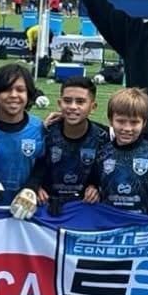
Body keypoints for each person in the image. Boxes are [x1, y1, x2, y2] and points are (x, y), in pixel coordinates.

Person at [88, 88, 148, 225]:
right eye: (121, 121)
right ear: (110, 121)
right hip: (108, 224)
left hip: (142, 227)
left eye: (134, 122)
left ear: (143, 123)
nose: (127, 128)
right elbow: (92, 183)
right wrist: (91, 189)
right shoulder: (102, 153)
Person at [0, 63, 45, 218]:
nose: (14, 95)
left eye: (20, 90)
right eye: (7, 89)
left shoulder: (39, 127)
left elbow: (43, 163)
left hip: (24, 209)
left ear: (29, 94)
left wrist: (33, 187)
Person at [39, 76, 109, 214]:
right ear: (59, 104)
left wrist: (96, 187)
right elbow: (35, 166)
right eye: (67, 101)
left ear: (92, 107)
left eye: (80, 102)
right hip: (48, 205)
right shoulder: (47, 132)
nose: (72, 107)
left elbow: (107, 173)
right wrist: (35, 186)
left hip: (85, 207)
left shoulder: (104, 137)